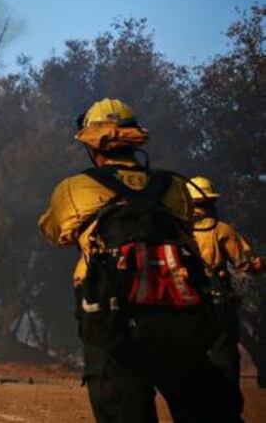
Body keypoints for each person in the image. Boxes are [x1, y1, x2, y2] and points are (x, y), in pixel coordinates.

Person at [38, 98, 240, 423]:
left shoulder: (75, 188)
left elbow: (53, 233)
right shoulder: (175, 187)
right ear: (135, 141)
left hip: (113, 325)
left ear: (92, 146)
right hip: (181, 321)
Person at [188, 176, 263, 388]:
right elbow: (247, 265)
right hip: (217, 300)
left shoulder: (176, 230)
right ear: (211, 202)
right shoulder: (222, 230)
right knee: (225, 358)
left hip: (184, 303)